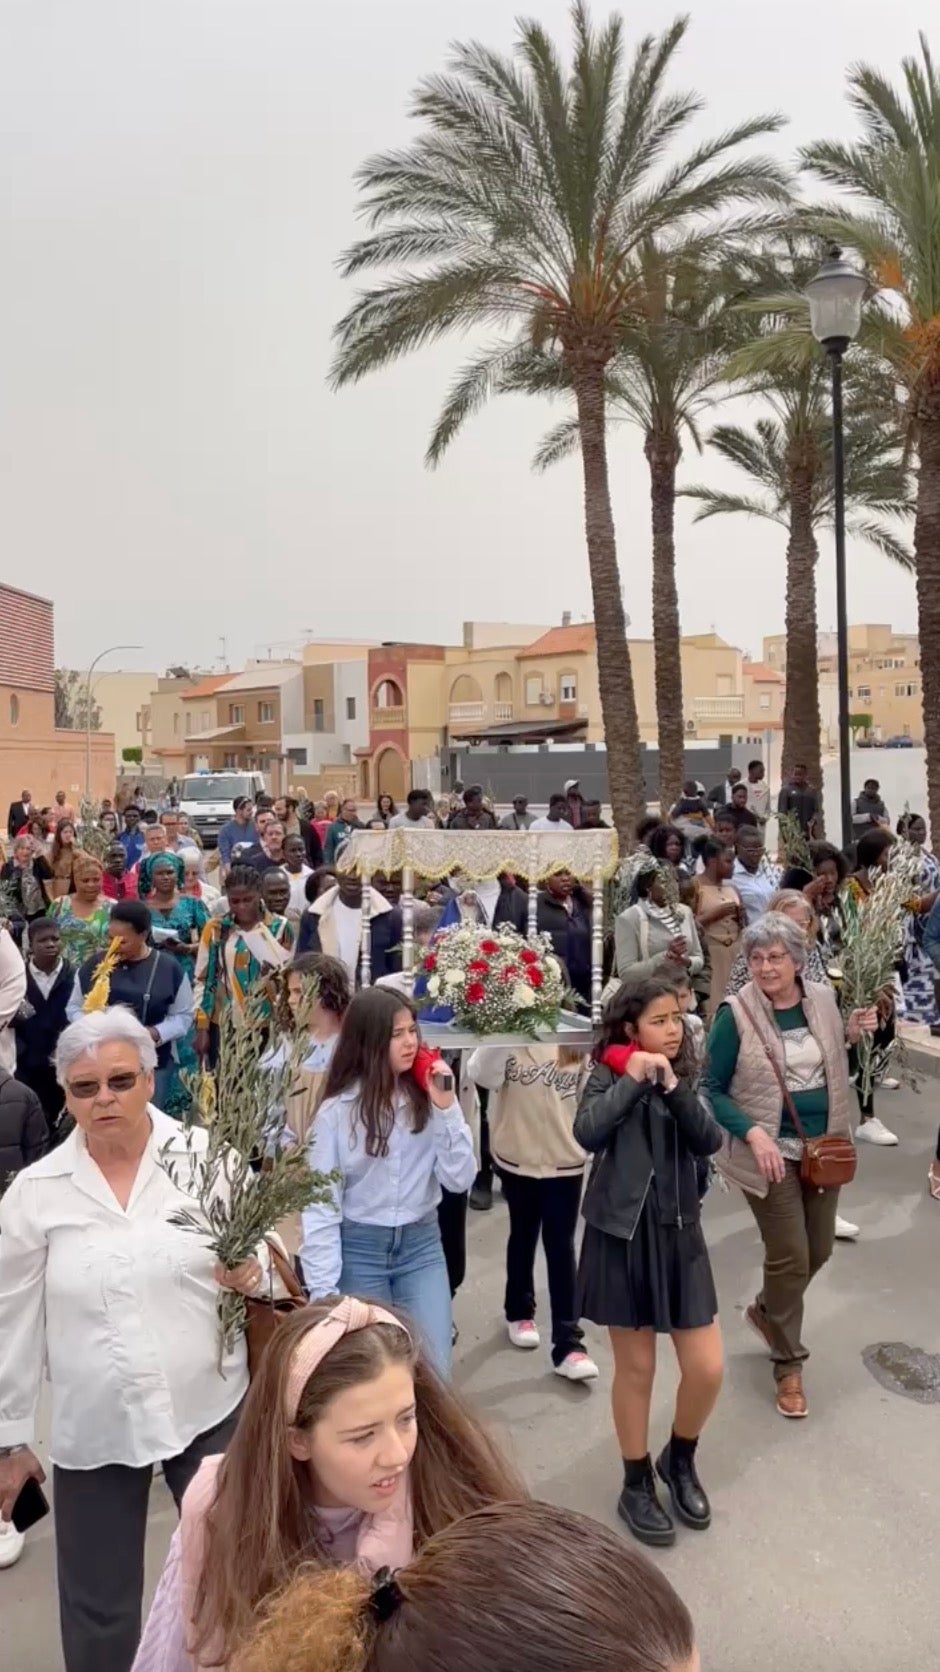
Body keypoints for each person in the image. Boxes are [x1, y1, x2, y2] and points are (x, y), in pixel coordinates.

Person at [0, 1009, 273, 1670]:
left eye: (120, 1080)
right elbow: (11, 1321)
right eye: (85, 1087)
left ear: (150, 1081)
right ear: (64, 1095)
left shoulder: (206, 1160)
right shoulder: (36, 1195)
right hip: (97, 1428)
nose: (105, 1099)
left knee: (243, 1581)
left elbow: (266, 1263)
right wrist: (11, 1439)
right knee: (98, 1608)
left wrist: (252, 1269)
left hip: (210, 1406)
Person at [134, 1300, 527, 1672]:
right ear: (297, 1441)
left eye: (406, 1419)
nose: (396, 1455)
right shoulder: (220, 1505)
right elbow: (207, 1654)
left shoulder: (452, 1497)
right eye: (362, 1436)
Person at [704, 914, 875, 1419]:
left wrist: (851, 1031)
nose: (764, 967)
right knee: (790, 1257)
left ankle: (764, 1311)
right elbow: (711, 1087)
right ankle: (788, 1365)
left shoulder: (821, 998)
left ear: (798, 960)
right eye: (756, 958)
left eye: (775, 957)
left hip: (824, 1148)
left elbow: (824, 1054)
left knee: (818, 1250)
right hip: (769, 1155)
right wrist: (753, 1133)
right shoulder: (735, 1014)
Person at [575, 978, 723, 1546]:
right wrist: (634, 1081)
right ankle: (634, 1479)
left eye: (677, 1017)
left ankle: (678, 1459)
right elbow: (586, 1132)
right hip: (623, 1231)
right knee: (637, 1370)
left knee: (707, 1367)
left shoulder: (688, 1070)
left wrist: (673, 1085)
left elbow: (707, 1138)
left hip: (680, 1232)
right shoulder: (611, 1071)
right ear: (632, 1028)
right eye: (660, 1019)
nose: (673, 1028)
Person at [300, 990, 477, 1375]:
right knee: (378, 1377)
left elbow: (460, 1179)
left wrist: (447, 1108)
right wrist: (324, 1296)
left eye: (413, 1030)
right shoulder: (336, 1113)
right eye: (397, 1033)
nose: (411, 1041)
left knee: (435, 1376)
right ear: (370, 1039)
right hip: (360, 1250)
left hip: (421, 1248)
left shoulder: (430, 1098)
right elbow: (320, 1207)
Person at [467, 1042, 597, 1381]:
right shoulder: (512, 1037)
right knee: (523, 1235)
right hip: (517, 1158)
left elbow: (589, 1096)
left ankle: (568, 1344)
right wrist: (507, 1028)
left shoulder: (575, 1038)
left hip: (565, 1161)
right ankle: (519, 1310)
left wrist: (586, 1144)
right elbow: (480, 1073)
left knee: (561, 1246)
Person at [68, 901, 195, 1112]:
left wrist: (153, 1033)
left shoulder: (168, 968)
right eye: (110, 939)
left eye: (122, 941)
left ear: (143, 935)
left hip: (152, 1063)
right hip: (100, 1063)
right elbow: (73, 1008)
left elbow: (182, 1016)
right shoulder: (94, 964)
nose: (114, 946)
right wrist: (94, 1027)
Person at [193, 865, 294, 1058]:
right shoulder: (216, 929)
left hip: (268, 1023)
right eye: (235, 901)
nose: (242, 907)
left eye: (248, 900)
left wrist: (273, 976)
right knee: (228, 1085)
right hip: (225, 1024)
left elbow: (290, 978)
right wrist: (202, 1027)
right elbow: (204, 979)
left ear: (260, 894)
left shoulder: (280, 928)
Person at [14, 917, 72, 1130]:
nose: (50, 944)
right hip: (27, 1066)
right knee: (31, 1121)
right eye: (43, 940)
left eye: (55, 939)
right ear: (30, 945)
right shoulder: (18, 977)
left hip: (62, 1064)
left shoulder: (74, 976)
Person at [297, 870, 402, 982]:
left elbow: (397, 970)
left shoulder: (390, 916)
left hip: (374, 996)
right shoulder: (313, 914)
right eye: (345, 868)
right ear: (337, 868)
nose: (352, 876)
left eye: (358, 868)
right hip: (325, 996)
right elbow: (302, 965)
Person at [614, 860, 703, 985]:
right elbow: (627, 974)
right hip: (647, 998)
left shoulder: (685, 912)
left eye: (675, 881)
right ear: (648, 886)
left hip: (682, 996)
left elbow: (699, 958)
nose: (673, 887)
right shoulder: (629, 918)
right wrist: (665, 957)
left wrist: (687, 962)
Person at [896, 812, 940, 1030]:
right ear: (904, 831)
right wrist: (923, 904)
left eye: (924, 828)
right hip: (913, 925)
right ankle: (915, 1023)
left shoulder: (928, 856)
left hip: (932, 920)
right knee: (917, 977)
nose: (923, 833)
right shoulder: (901, 858)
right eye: (917, 829)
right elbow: (899, 897)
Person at [693, 836, 743, 1017]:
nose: (733, 866)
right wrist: (713, 915)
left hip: (734, 953)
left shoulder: (733, 889)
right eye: (728, 861)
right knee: (713, 1004)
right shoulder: (695, 886)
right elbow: (687, 924)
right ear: (713, 861)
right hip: (711, 953)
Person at [536, 870, 593, 1005]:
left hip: (583, 984)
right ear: (546, 878)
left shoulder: (584, 903)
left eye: (568, 874)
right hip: (552, 985)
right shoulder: (536, 904)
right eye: (558, 874)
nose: (565, 879)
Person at [47, 853, 112, 966]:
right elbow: (46, 937)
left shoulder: (112, 908)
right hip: (64, 975)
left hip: (100, 976)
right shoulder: (60, 905)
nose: (91, 885)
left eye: (96, 880)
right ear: (75, 881)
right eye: (85, 880)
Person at [731, 825, 779, 925]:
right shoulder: (731, 876)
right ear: (737, 848)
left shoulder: (769, 871)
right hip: (751, 934)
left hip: (775, 931)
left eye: (760, 850)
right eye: (751, 851)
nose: (756, 854)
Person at [0, 834, 51, 925]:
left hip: (38, 908)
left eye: (28, 849)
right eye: (22, 848)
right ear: (16, 850)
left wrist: (40, 855)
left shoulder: (36, 864)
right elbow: (5, 890)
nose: (25, 852)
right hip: (17, 910)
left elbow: (48, 875)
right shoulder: (9, 867)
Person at [274, 794, 324, 867]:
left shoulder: (306, 827)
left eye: (279, 809)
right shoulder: (274, 828)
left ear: (290, 808)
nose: (277, 813)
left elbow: (317, 852)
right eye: (276, 809)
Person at [777, 761, 820, 838]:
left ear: (806, 775)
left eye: (800, 774)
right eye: (796, 774)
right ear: (792, 774)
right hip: (792, 833)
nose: (798, 777)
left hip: (808, 831)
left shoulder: (811, 791)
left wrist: (813, 821)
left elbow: (816, 810)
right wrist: (785, 831)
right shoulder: (786, 791)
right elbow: (782, 812)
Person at [217, 797, 257, 869]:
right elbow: (225, 855)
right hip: (236, 869)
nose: (252, 812)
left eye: (252, 809)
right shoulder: (226, 830)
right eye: (248, 810)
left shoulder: (256, 827)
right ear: (239, 811)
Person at [281, 832, 313, 918]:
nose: (298, 854)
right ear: (283, 853)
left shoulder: (311, 876)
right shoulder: (279, 876)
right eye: (293, 850)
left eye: (301, 849)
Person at [324, 798, 363, 864]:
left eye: (355, 810)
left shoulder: (361, 826)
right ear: (343, 810)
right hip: (339, 865)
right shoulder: (333, 827)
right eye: (351, 810)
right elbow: (328, 849)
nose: (353, 813)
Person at [48, 818, 79, 901]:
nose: (68, 835)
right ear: (59, 834)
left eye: (70, 832)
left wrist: (76, 847)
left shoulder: (77, 850)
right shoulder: (54, 851)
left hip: (76, 887)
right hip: (60, 888)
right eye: (65, 832)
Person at [746, 760, 770, 827]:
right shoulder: (741, 786)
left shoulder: (765, 788)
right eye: (761, 771)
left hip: (760, 825)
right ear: (751, 771)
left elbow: (768, 808)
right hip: (746, 824)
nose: (763, 773)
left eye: (763, 771)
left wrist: (765, 818)